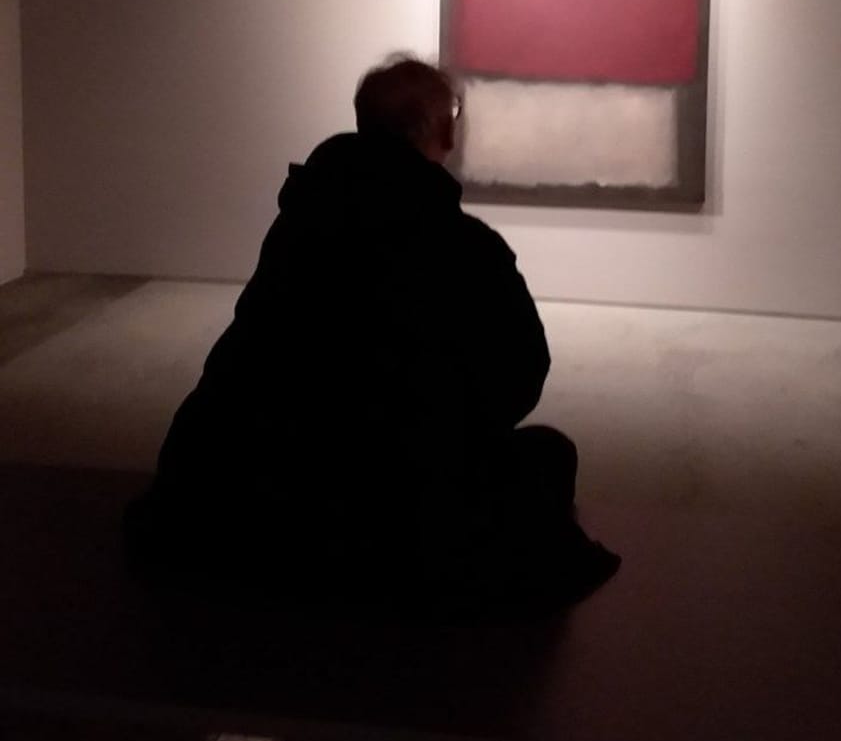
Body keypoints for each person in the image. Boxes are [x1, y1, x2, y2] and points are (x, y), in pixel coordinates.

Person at [125, 55, 620, 615]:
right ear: (445, 131)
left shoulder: (301, 223)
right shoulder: (463, 245)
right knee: (549, 455)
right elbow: (519, 378)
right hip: (384, 506)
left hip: (241, 484)